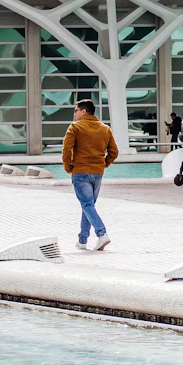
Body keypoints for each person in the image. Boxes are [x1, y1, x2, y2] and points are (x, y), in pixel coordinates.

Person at [62, 97, 118, 251]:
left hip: (80, 172)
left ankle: (102, 234)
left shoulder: (75, 127)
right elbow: (114, 152)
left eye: (76, 111)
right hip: (97, 173)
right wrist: (104, 164)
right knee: (88, 206)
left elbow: (66, 150)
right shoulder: (105, 129)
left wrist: (69, 168)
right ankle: (82, 240)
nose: (75, 114)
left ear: (84, 111)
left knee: (87, 205)